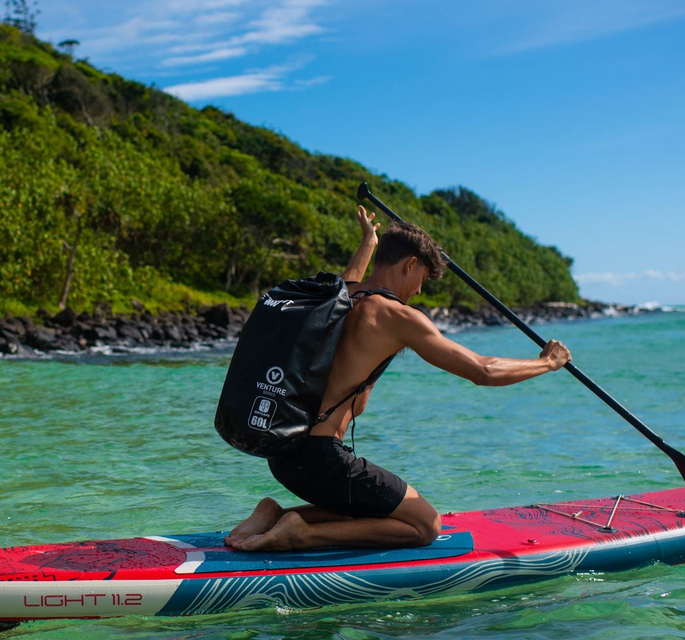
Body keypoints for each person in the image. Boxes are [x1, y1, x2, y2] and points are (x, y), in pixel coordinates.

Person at [226, 206, 571, 552]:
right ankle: (300, 534)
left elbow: (353, 274)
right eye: (421, 278)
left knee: (375, 511)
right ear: (409, 265)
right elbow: (484, 370)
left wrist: (368, 242)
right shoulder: (398, 316)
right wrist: (547, 363)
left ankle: (275, 513)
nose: (419, 291)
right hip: (320, 459)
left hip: (285, 450)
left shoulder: (340, 295)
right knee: (424, 524)